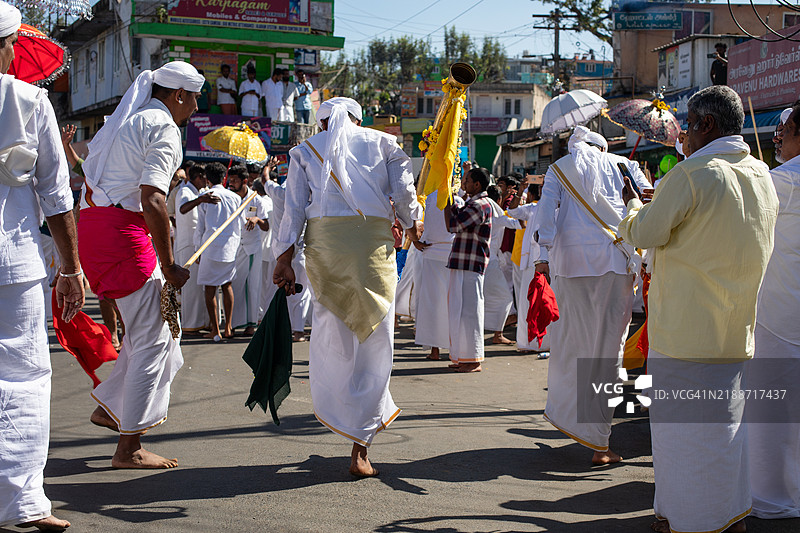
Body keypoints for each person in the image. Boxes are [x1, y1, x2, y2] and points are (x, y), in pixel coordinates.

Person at [618, 85, 779, 533]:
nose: (683, 133)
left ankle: (691, 520)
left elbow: (645, 233)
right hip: (736, 330)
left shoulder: (692, 173)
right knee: (726, 437)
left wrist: (633, 205)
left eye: (688, 124)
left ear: (706, 125)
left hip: (686, 333)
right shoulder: (761, 173)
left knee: (681, 438)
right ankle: (729, 515)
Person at [273, 97, 423, 476]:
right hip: (373, 251)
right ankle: (361, 447)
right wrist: (413, 222)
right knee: (376, 339)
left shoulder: (304, 149)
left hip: (326, 253)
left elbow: (291, 209)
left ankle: (342, 418)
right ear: (359, 120)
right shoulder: (384, 143)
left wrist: (283, 258)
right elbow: (405, 195)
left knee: (332, 338)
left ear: (322, 124)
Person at [0, 3, 84, 529]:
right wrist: (71, 268)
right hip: (14, 265)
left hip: (16, 266)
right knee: (24, 378)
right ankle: (23, 502)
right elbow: (56, 197)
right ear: (6, 46)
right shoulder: (31, 102)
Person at [536, 125, 649, 465]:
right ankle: (599, 441)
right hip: (617, 263)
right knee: (607, 350)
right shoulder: (624, 165)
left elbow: (546, 212)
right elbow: (649, 199)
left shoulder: (560, 168)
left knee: (573, 344)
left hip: (571, 265)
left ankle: (569, 418)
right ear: (602, 148)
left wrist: (543, 255)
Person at [747, 100, 800, 520]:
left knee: (772, 411)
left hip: (782, 312)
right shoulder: (777, 179)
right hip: (783, 308)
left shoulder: (781, 181)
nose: (779, 139)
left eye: (785, 132)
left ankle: (773, 497)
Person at [443, 167, 493, 373]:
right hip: (464, 263)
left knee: (469, 312)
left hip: (470, 265)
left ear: (477, 185)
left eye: (466, 180)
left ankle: (473, 359)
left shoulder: (480, 205)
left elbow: (453, 225)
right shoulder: (474, 203)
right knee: (460, 311)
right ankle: (463, 356)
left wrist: (446, 202)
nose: (463, 183)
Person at [261, 162, 313, 341]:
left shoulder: (278, 193)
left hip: (281, 255)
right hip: (300, 254)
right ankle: (297, 331)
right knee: (301, 293)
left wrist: (268, 167)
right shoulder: (308, 196)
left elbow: (265, 180)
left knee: (278, 291)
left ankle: (278, 329)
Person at [413, 189, 463, 361]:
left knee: (432, 303)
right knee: (452, 303)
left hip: (433, 252)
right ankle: (453, 350)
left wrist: (414, 240)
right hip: (446, 253)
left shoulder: (428, 199)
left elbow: (411, 218)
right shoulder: (455, 200)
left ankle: (436, 350)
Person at [194, 161, 242, 341]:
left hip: (210, 247)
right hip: (229, 246)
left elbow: (200, 227)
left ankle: (217, 329)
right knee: (226, 285)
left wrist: (197, 249)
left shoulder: (205, 195)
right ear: (224, 178)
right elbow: (240, 225)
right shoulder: (234, 197)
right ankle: (227, 326)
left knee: (210, 288)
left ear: (207, 179)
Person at [176, 163, 219, 333]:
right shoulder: (184, 192)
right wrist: (200, 200)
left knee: (203, 285)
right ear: (198, 177)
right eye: (204, 178)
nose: (206, 181)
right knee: (191, 286)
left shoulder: (200, 192)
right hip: (187, 243)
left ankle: (205, 321)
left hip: (200, 244)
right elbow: (183, 208)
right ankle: (191, 324)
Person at [228, 164, 269, 335]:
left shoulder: (256, 199)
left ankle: (251, 324)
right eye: (230, 180)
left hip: (252, 248)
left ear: (244, 181)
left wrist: (256, 219)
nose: (231, 183)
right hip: (235, 247)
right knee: (235, 285)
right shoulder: (229, 198)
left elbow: (266, 225)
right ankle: (234, 323)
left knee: (252, 285)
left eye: (235, 180)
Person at [484, 184, 520, 346]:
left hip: (481, 260)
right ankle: (497, 333)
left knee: (485, 298)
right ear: (499, 199)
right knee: (505, 298)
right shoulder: (496, 214)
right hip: (490, 262)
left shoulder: (478, 208)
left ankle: (495, 331)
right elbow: (516, 222)